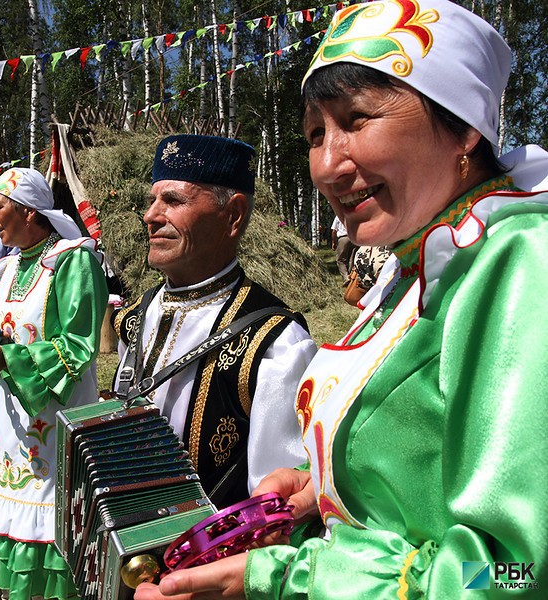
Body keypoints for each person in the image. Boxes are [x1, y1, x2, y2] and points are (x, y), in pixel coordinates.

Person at [134, 1, 548, 598]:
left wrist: (284, 579)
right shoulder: (414, 272)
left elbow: (518, 572)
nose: (327, 165)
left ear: (464, 126)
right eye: (314, 135)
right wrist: (321, 485)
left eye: (356, 119)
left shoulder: (519, 262)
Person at [113, 134, 317, 506]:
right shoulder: (136, 316)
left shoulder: (275, 344)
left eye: (173, 200)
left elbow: (273, 501)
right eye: (152, 201)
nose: (151, 216)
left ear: (233, 215)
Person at [0, 167, 108, 600]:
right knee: (14, 497)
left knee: (50, 506)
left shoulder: (71, 258)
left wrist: (12, 358)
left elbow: (79, 344)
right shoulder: (7, 269)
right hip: (12, 413)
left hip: (55, 410)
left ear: (26, 210)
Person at [330, 215, 355, 285]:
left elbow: (334, 230)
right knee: (352, 259)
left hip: (343, 238)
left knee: (340, 260)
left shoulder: (338, 216)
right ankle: (352, 277)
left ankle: (346, 277)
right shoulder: (353, 215)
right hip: (354, 238)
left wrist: (333, 242)